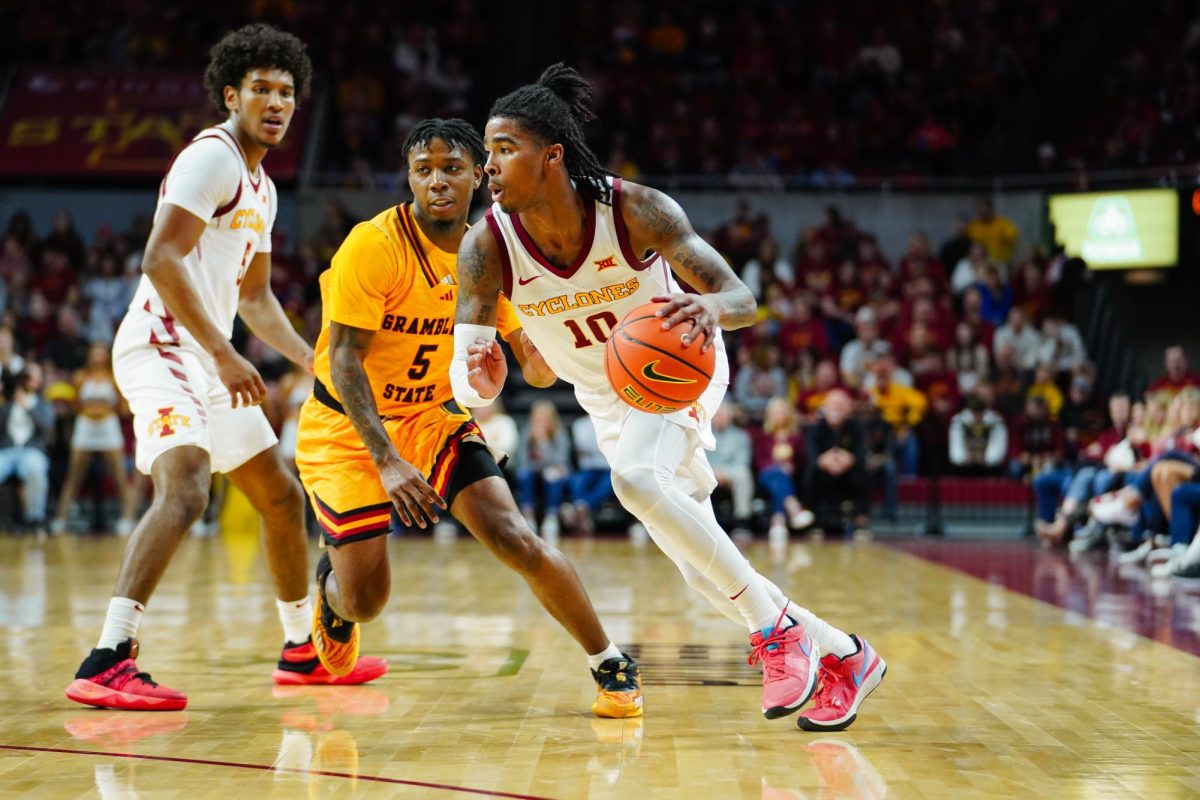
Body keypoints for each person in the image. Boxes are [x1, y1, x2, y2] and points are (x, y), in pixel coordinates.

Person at [452, 65, 884, 731]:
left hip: (679, 370)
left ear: (551, 156)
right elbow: (490, 376)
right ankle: (845, 655)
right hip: (605, 399)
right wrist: (479, 378)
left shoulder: (634, 211)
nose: (489, 167)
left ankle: (777, 633)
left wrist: (709, 307)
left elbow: (742, 299)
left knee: (634, 479)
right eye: (487, 153)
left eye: (504, 149)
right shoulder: (486, 247)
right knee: (697, 565)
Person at [65, 25, 385, 713]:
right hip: (162, 349)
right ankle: (107, 658)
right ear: (231, 95)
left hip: (210, 355)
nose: (276, 102)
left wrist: (311, 359)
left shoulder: (263, 188)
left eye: (287, 93)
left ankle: (302, 651)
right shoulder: (209, 159)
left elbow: (255, 297)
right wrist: (222, 350)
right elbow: (159, 259)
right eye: (262, 90)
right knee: (184, 489)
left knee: (279, 496)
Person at [300, 118, 643, 719]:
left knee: (513, 536)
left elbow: (537, 368)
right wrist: (386, 459)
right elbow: (345, 360)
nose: (437, 181)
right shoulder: (373, 245)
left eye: (452, 168)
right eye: (423, 170)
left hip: (432, 416)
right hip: (349, 430)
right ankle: (331, 593)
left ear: (478, 175)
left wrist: (551, 357)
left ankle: (609, 661)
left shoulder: (492, 250)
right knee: (365, 601)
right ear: (408, 178)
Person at [50, 344, 137, 535]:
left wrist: (104, 409)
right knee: (74, 475)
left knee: (120, 476)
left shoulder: (114, 378)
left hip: (108, 426)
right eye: (95, 355)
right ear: (89, 357)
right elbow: (75, 405)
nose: (98, 358)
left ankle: (128, 518)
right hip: (85, 426)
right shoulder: (80, 377)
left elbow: (123, 409)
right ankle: (60, 519)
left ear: (107, 357)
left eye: (101, 355)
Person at [0, 363, 53, 532]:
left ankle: (35, 517)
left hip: (32, 450)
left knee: (35, 468)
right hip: (7, 450)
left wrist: (28, 408)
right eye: (28, 376)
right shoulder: (7, 403)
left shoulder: (43, 403)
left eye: (36, 376)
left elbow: (45, 428)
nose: (32, 380)